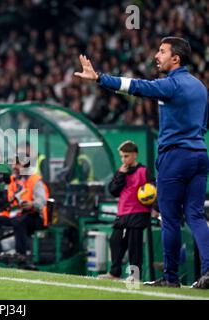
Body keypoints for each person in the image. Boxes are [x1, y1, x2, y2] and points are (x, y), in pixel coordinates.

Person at [74, 37, 209, 289]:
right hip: (200, 154)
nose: (156, 56)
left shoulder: (171, 84)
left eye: (162, 51)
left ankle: (170, 279)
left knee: (169, 219)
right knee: (196, 215)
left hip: (175, 156)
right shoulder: (200, 87)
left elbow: (135, 86)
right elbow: (203, 123)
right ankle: (208, 272)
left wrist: (100, 78)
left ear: (176, 58)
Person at [99, 141, 154, 280]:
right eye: (122, 156)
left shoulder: (144, 171)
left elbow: (153, 189)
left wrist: (156, 208)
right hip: (123, 212)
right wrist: (120, 175)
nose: (124, 159)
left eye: (126, 156)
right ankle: (114, 273)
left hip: (139, 212)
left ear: (134, 155)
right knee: (115, 241)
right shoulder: (121, 171)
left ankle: (135, 275)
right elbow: (113, 191)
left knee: (134, 246)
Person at [0, 152, 49, 267]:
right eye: (13, 163)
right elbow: (9, 200)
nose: (13, 166)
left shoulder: (35, 180)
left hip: (36, 217)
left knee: (20, 221)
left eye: (17, 163)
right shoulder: (12, 180)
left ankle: (21, 255)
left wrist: (32, 204)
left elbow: (42, 202)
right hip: (17, 214)